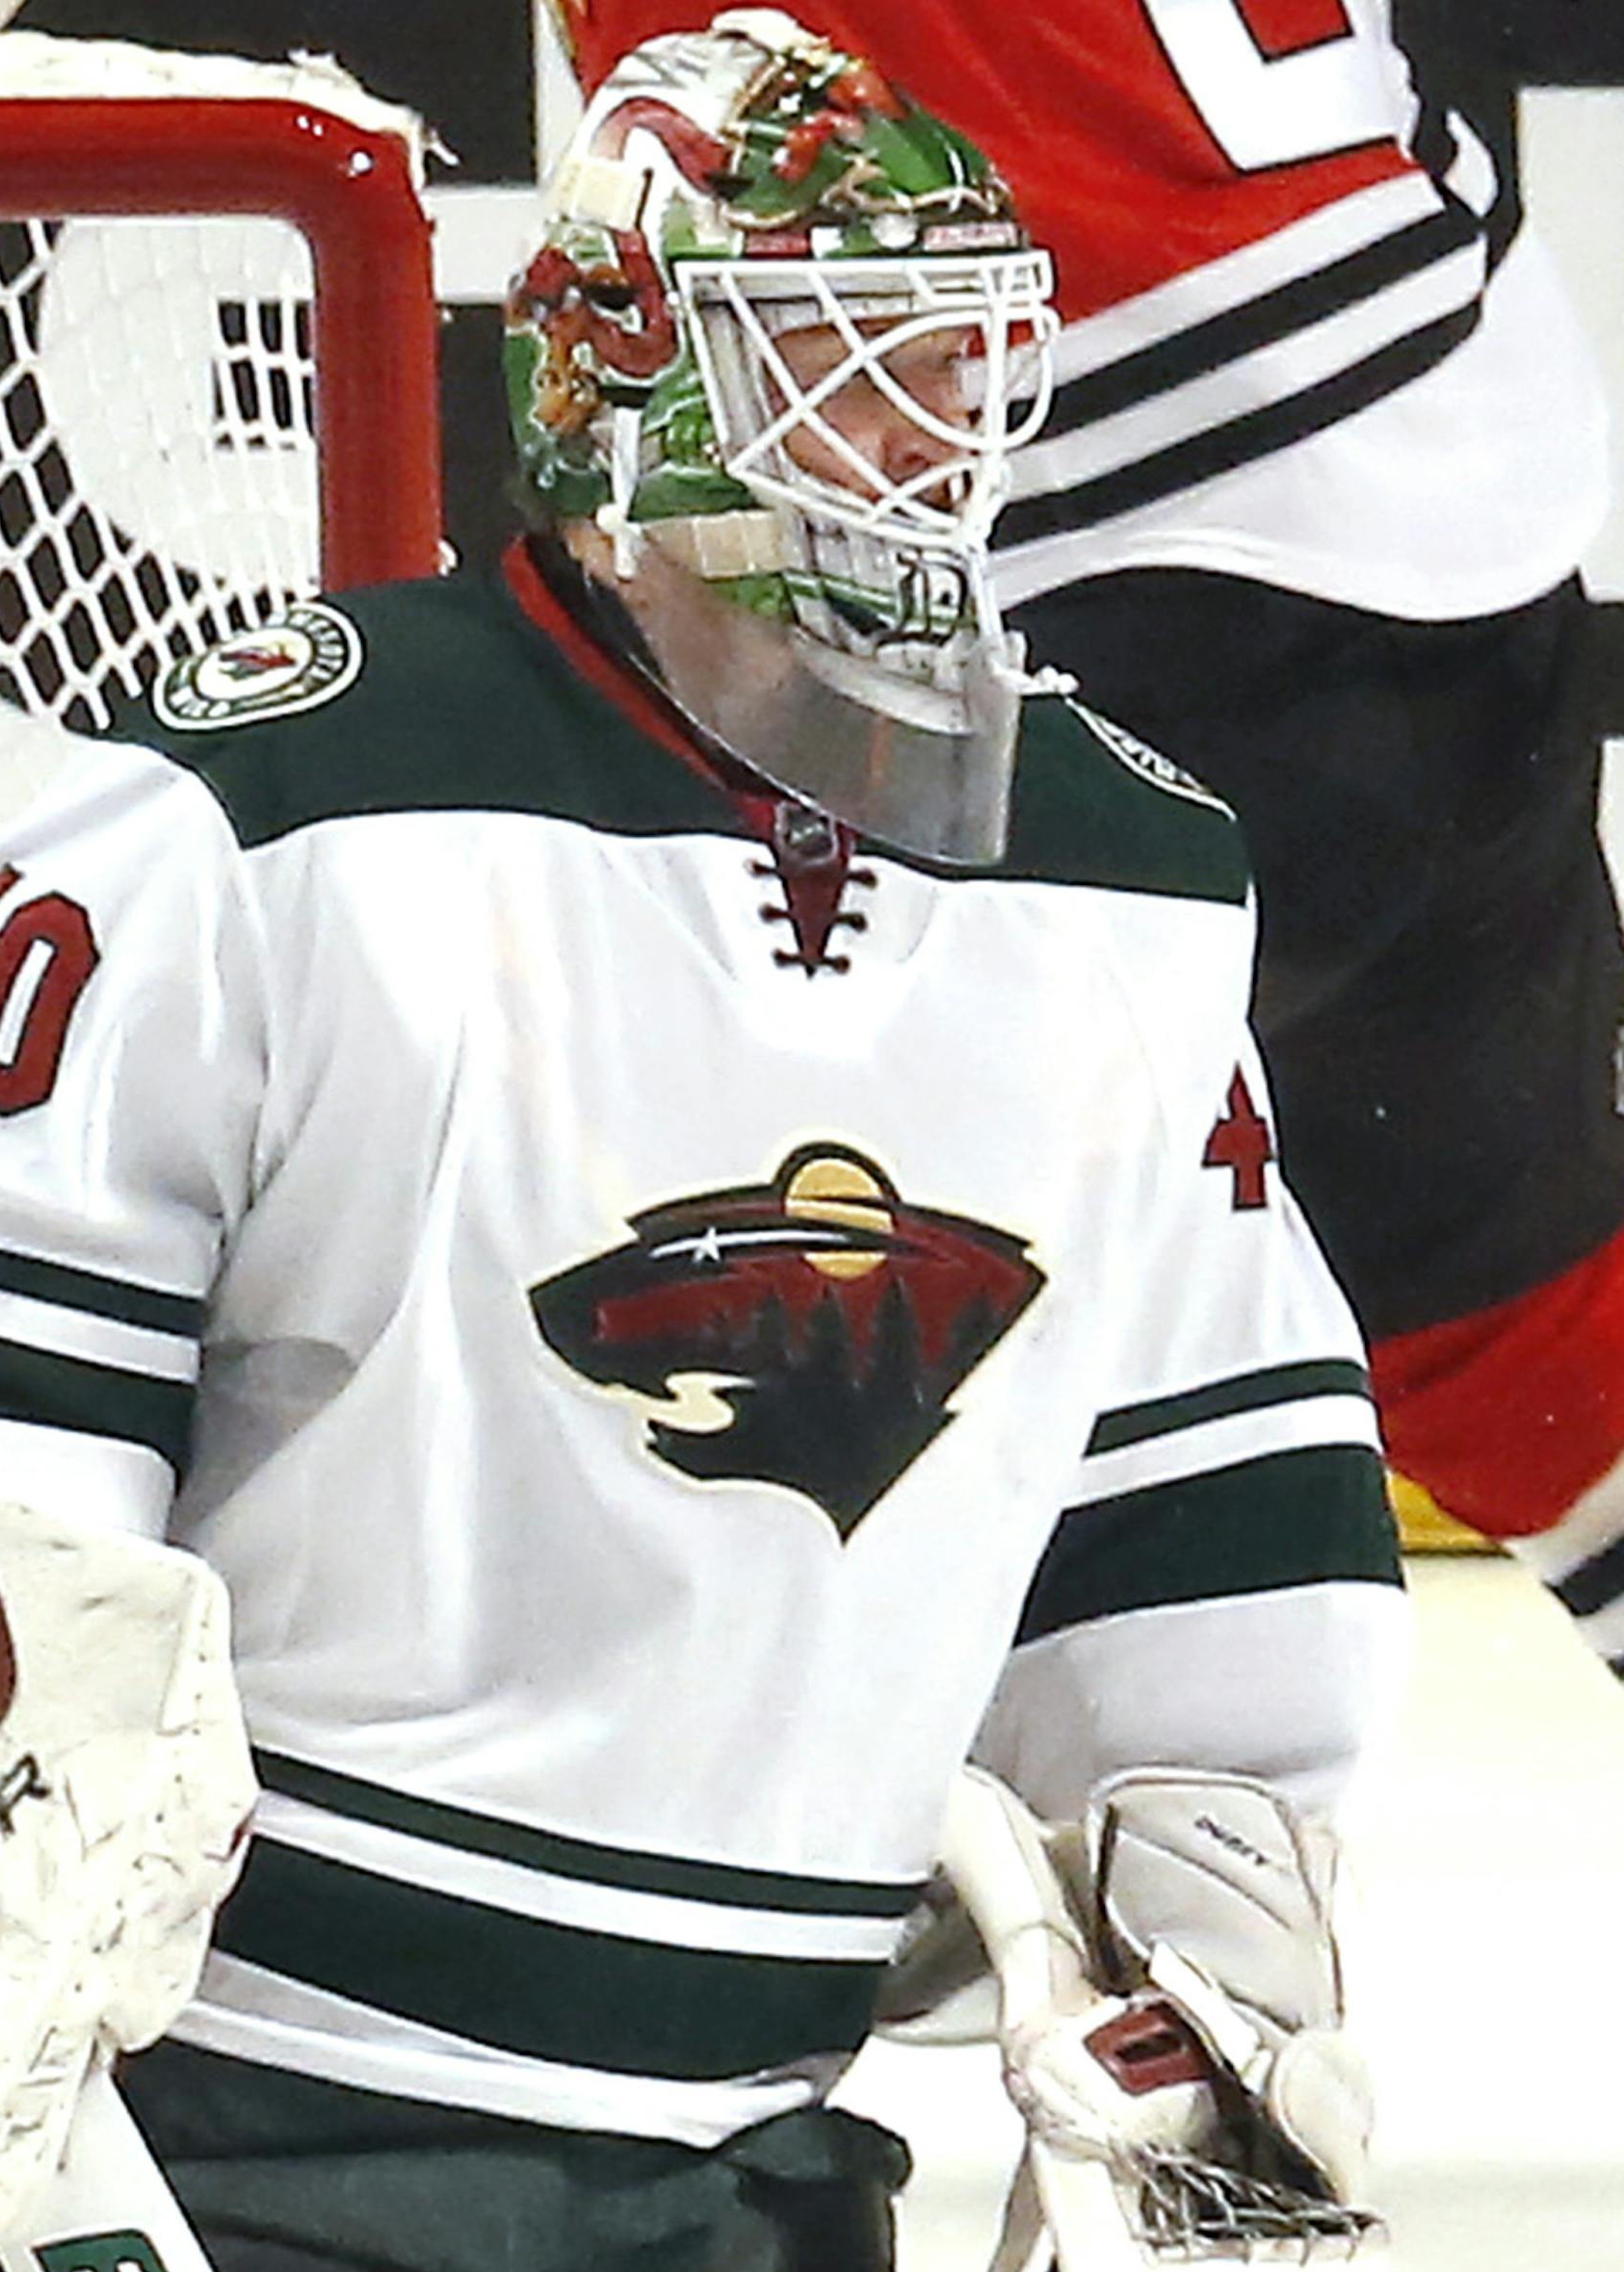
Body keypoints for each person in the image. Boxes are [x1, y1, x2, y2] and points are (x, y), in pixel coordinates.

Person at [0, 17, 1404, 2272]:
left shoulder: (1131, 881)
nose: (931, 409)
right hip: (268, 2106)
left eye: (960, 333)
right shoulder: (276, 807)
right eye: (837, 339)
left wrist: (1214, 1920)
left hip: (754, 2149)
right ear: (623, 371)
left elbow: (1197, 1467)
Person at [550, 0, 1624, 1659]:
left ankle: (805, 1853)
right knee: (1514, 1335)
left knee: (808, 1310)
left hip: (1110, 536)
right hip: (1447, 452)